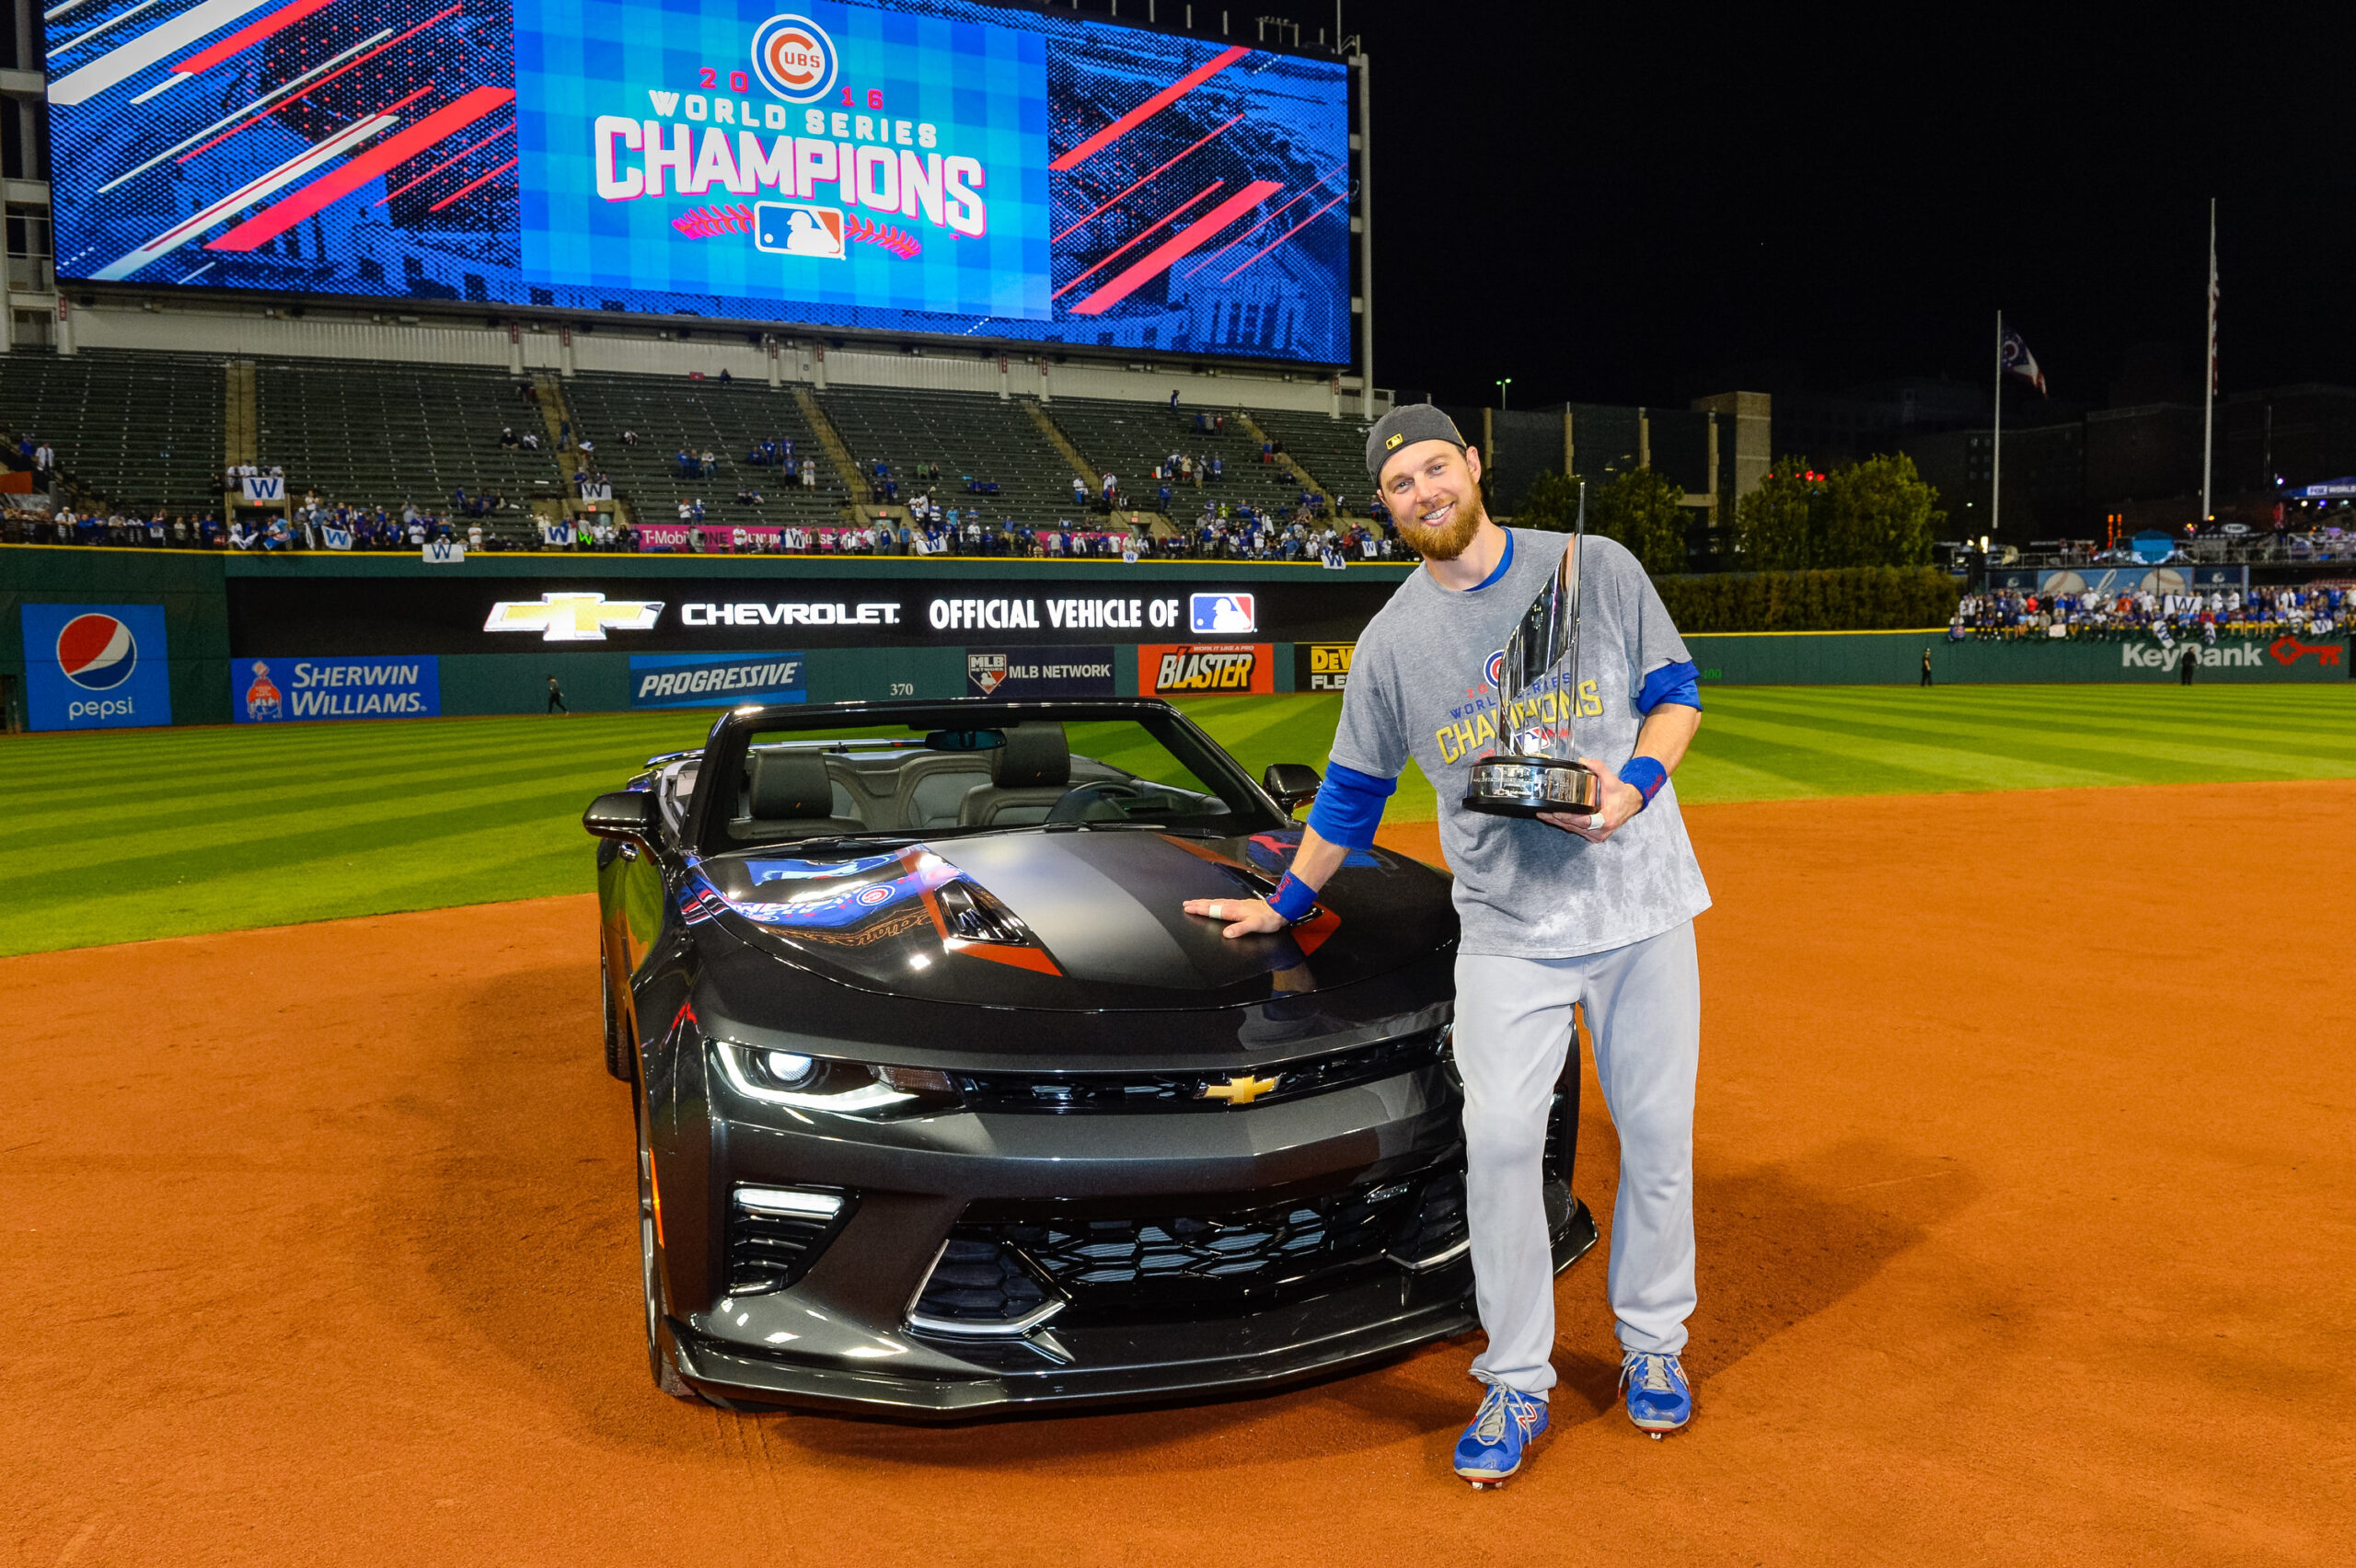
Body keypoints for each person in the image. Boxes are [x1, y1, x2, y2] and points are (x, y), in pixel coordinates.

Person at [1179, 406, 1709, 1481]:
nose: (1424, 492)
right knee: (1505, 1142)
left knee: (1656, 1140)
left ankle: (1655, 1343)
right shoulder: (1390, 643)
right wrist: (1281, 903)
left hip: (1639, 907)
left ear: (1472, 467)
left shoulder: (1589, 566)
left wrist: (1629, 787)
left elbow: (1675, 697)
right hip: (1509, 931)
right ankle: (1516, 1379)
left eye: (1435, 468)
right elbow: (1350, 798)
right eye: (1400, 484)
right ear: (1385, 508)